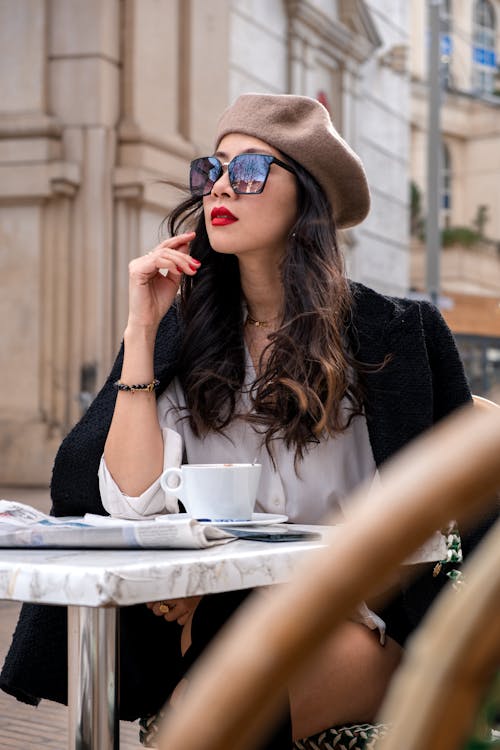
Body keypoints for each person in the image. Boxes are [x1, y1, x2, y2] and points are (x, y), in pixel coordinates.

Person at [1, 93, 496, 750]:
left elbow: (456, 519)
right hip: (215, 625)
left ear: (308, 202)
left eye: (252, 171)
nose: (223, 187)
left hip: (357, 618)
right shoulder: (186, 335)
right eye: (213, 170)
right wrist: (141, 327)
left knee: (220, 716)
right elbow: (131, 498)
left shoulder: (395, 338)